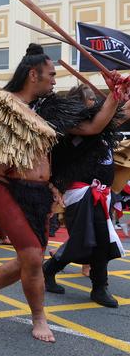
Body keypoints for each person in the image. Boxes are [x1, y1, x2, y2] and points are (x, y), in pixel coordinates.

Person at [0, 44, 126, 343]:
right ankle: (39, 318)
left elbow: (93, 126)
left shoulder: (51, 109)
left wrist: (115, 95)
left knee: (30, 257)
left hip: (38, 194)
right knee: (34, 257)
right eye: (50, 74)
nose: (54, 80)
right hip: (6, 188)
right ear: (33, 73)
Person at [42, 84, 127, 307]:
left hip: (101, 193)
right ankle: (99, 287)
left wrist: (119, 96)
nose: (95, 103)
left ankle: (51, 270)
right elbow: (99, 123)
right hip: (83, 192)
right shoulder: (75, 127)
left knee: (93, 240)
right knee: (95, 240)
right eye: (90, 99)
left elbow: (122, 114)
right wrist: (114, 100)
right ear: (79, 104)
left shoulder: (101, 125)